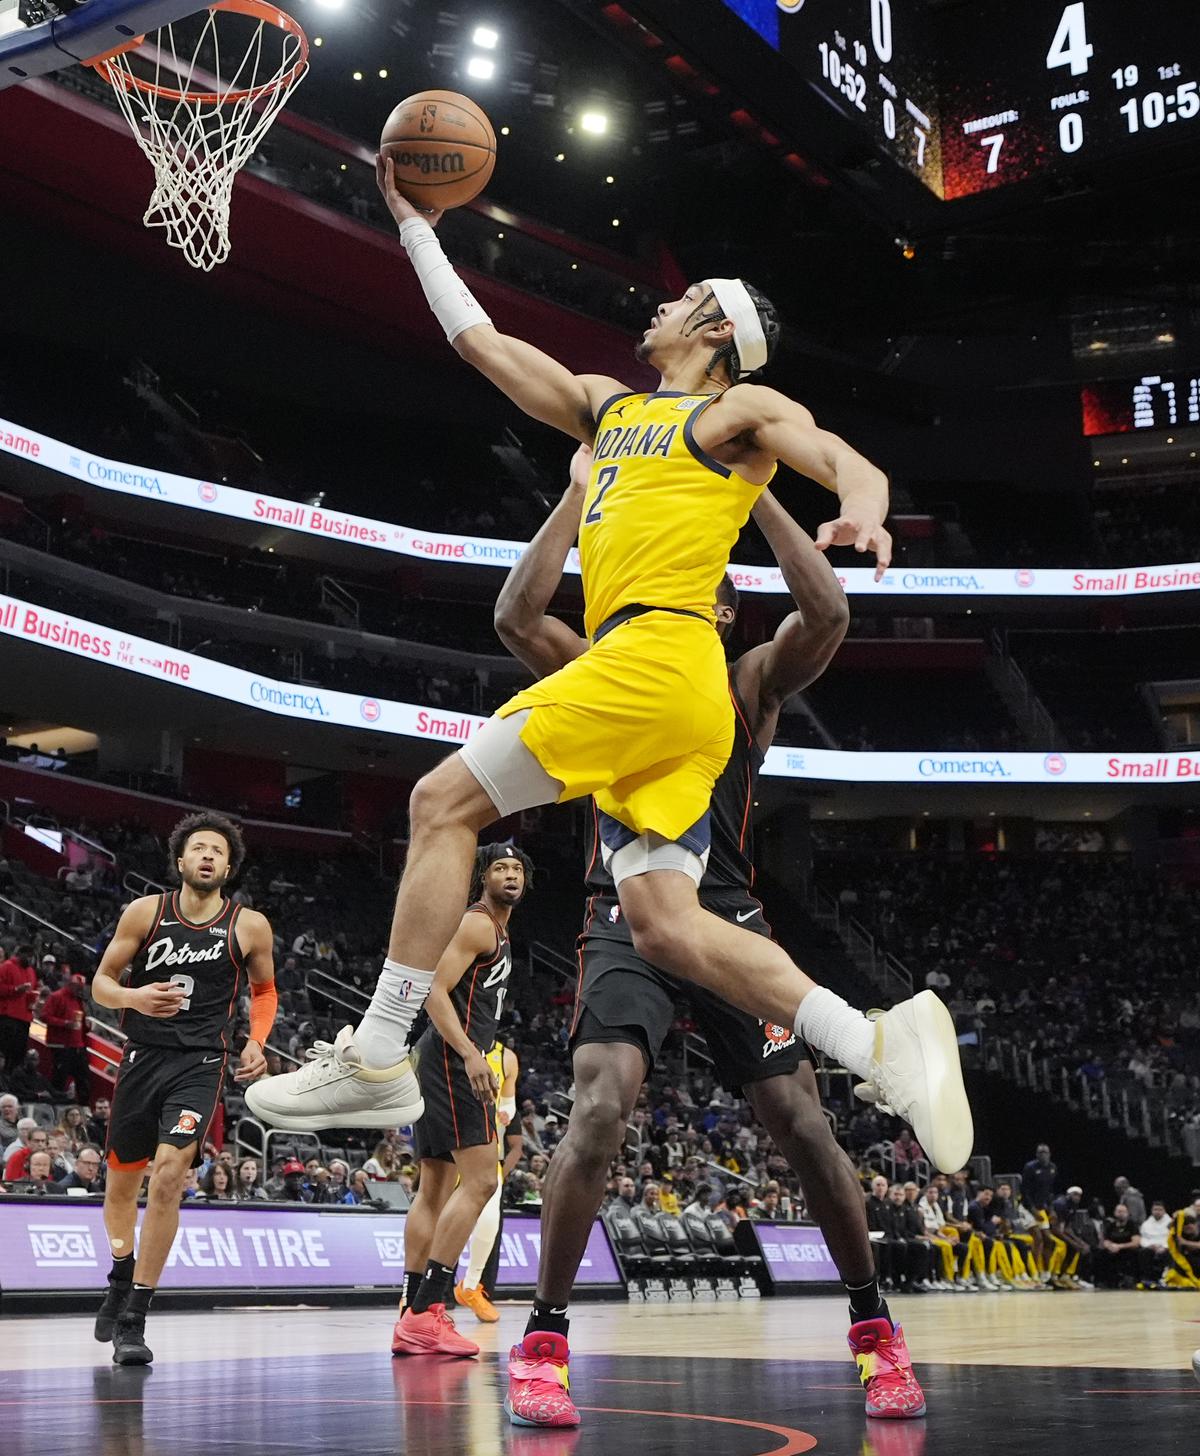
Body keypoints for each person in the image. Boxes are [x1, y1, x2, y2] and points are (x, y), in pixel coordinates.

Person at [247, 161, 972, 1197]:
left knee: (439, 799)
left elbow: (837, 450)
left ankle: (375, 1051)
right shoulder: (607, 410)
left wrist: (861, 505)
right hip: (678, 704)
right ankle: (877, 1045)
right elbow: (483, 346)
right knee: (668, 923)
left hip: (656, 654)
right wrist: (414, 228)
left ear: (717, 331)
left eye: (685, 298)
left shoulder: (730, 413)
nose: (662, 303)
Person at [493, 453, 925, 1424]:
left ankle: (875, 1330)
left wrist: (756, 484)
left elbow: (829, 619)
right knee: (598, 1108)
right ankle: (544, 1342)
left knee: (803, 1121)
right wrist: (574, 491)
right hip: (625, 918)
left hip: (724, 917)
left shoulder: (742, 685)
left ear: (719, 613)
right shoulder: (600, 676)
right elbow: (516, 618)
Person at [88, 812, 277, 1366]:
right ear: (180, 860)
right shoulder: (145, 912)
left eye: (218, 851)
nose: (208, 856)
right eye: (198, 848)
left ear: (229, 866)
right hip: (143, 1057)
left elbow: (265, 993)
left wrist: (258, 1041)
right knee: (121, 1186)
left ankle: (135, 1317)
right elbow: (101, 983)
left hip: (201, 1061)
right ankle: (121, 1272)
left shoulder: (250, 926)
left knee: (169, 1174)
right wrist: (134, 998)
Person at [391, 844, 531, 1359]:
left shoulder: (499, 929)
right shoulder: (478, 925)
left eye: (517, 869)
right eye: (500, 868)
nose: (510, 875)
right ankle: (428, 1311)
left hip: (440, 1056)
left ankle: (409, 1314)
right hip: (453, 1057)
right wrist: (472, 1054)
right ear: (483, 878)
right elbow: (433, 990)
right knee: (480, 1181)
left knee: (433, 1186)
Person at [454, 1039, 523, 1323]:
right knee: (436, 1216)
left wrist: (507, 1111)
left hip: (487, 1148)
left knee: (489, 1220)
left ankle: (470, 1286)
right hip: (451, 1143)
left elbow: (509, 1103)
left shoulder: (507, 1057)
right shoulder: (450, 1044)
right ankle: (417, 1292)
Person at [41, 974, 91, 1101]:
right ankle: (58, 1104)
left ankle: (83, 1105)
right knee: (60, 1077)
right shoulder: (56, 997)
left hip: (77, 1045)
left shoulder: (78, 1001)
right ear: (70, 985)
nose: (80, 990)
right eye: (78, 987)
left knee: (84, 1078)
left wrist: (88, 1026)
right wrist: (65, 1023)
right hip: (61, 1045)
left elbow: (81, 1025)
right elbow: (45, 1016)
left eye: (81, 988)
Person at [0, 945, 38, 1075]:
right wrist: (16, 989)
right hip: (8, 1016)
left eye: (32, 957)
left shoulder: (31, 972)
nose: (30, 959)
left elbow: (31, 991)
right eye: (28, 956)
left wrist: (33, 1000)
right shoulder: (6, 966)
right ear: (19, 954)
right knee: (5, 1051)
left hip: (24, 1018)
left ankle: (12, 1082)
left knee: (18, 1054)